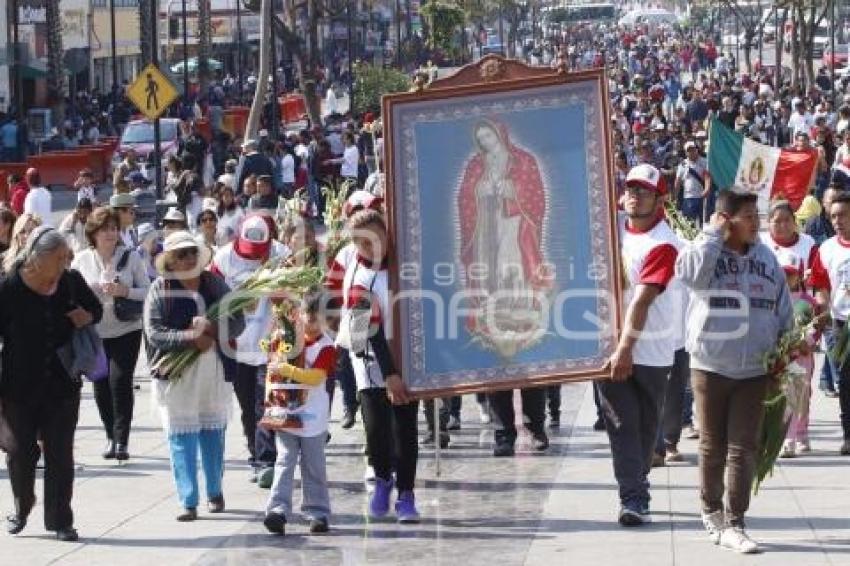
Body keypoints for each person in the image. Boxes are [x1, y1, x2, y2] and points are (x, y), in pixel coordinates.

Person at [676, 190, 792, 554]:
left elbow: (782, 304)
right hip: (711, 365)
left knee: (744, 446)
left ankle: (736, 520)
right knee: (713, 445)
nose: (756, 222)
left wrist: (787, 347)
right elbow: (690, 276)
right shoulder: (705, 249)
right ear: (726, 219)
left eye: (756, 214)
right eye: (747, 215)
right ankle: (711, 511)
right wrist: (712, 236)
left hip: (756, 368)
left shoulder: (765, 256)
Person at [0, 226, 103, 542]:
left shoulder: (70, 282)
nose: (64, 264)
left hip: (62, 383)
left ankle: (60, 520)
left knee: (60, 453)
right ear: (37, 258)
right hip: (18, 386)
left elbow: (96, 310)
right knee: (21, 452)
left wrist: (87, 316)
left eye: (66, 257)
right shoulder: (9, 288)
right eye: (58, 258)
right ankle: (22, 504)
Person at [325, 209, 421, 523]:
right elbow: (371, 331)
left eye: (373, 239)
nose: (368, 247)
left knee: (405, 428)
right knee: (376, 429)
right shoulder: (359, 276)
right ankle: (383, 479)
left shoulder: (406, 265)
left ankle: (406, 493)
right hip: (370, 361)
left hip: (408, 357)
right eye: (360, 243)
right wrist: (390, 375)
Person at [598, 163, 681, 527]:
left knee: (647, 430)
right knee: (622, 426)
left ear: (660, 199)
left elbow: (642, 301)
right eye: (630, 188)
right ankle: (633, 497)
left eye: (644, 190)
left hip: (650, 352)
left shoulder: (663, 242)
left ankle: (638, 479)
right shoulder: (609, 226)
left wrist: (626, 349)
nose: (634, 195)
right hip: (606, 347)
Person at [144, 230, 245, 521]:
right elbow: (154, 333)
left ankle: (215, 491)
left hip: (212, 369)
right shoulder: (160, 290)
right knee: (181, 435)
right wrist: (190, 337)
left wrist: (212, 329)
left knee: (213, 433)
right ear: (170, 262)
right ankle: (188, 500)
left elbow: (238, 321)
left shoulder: (214, 285)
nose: (188, 258)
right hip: (177, 374)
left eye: (191, 252)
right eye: (180, 255)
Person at [209, 214, 289, 487]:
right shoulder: (222, 260)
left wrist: (281, 295)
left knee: (266, 402)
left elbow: (294, 295)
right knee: (246, 406)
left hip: (269, 342)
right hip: (236, 344)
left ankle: (267, 460)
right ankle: (255, 455)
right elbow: (211, 296)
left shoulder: (280, 254)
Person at [71, 207, 150, 461]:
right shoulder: (81, 260)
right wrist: (92, 291)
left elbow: (148, 292)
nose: (111, 233)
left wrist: (124, 291)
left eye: (114, 228)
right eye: (105, 229)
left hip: (126, 328)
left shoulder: (131, 258)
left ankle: (122, 440)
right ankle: (110, 436)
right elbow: (70, 294)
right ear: (93, 233)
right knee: (101, 384)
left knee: (120, 380)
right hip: (94, 331)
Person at [263, 290, 336, 536]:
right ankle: (277, 510)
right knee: (284, 460)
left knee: (313, 464)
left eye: (318, 318)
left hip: (313, 415)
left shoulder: (326, 346)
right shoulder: (287, 338)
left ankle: (317, 512)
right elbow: (272, 362)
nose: (311, 321)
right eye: (307, 314)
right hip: (285, 412)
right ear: (298, 313)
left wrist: (288, 369)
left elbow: (316, 378)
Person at [809, 192, 850, 456]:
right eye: (833, 216)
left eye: (843, 215)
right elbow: (820, 286)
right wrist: (821, 307)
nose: (837, 221)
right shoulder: (826, 249)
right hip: (841, 324)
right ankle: (848, 436)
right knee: (845, 383)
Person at [777, 254, 817, 458]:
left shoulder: (807, 301)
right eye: (782, 274)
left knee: (801, 397)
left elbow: (816, 325)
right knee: (787, 398)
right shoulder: (775, 298)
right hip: (782, 358)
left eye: (791, 274)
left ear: (799, 276)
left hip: (802, 356)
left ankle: (801, 433)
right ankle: (788, 439)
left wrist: (808, 342)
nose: (786, 278)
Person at [675, 141, 710, 225]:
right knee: (689, 224)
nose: (691, 152)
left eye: (693, 149)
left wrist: (707, 189)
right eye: (689, 150)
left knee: (704, 223)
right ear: (686, 152)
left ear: (696, 149)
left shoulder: (705, 162)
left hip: (703, 197)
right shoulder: (682, 165)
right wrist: (675, 197)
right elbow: (678, 181)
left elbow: (707, 177)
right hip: (688, 198)